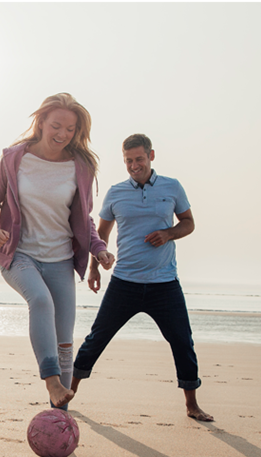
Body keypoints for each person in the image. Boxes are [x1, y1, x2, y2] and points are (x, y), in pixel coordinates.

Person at [0, 93, 114, 410]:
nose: (63, 134)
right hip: (19, 254)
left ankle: (61, 413)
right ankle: (52, 382)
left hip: (61, 261)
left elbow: (84, 220)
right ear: (40, 123)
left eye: (70, 129)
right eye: (56, 125)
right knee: (40, 300)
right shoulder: (14, 159)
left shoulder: (81, 167)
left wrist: (99, 249)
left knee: (65, 344)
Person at [71, 133, 214, 421]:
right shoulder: (115, 192)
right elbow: (100, 235)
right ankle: (67, 393)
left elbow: (189, 223)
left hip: (165, 284)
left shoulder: (172, 187)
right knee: (96, 339)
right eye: (128, 161)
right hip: (125, 282)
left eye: (138, 159)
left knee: (182, 342)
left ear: (151, 155)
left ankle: (192, 405)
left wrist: (168, 233)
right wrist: (94, 267)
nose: (134, 165)